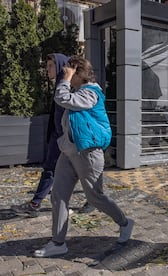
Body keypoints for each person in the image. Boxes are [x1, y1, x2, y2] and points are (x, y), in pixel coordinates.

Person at [33, 56, 134, 258]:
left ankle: (124, 222)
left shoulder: (91, 92)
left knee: (95, 197)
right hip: (69, 152)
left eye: (69, 72)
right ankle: (58, 242)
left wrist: (64, 79)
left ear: (78, 73)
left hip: (88, 153)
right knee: (58, 196)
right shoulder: (77, 91)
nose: (65, 76)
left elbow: (63, 99)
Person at [11, 53, 94, 217]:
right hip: (58, 139)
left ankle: (38, 205)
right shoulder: (60, 85)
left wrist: (66, 140)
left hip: (67, 141)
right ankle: (37, 204)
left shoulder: (68, 88)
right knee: (61, 171)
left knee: (76, 171)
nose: (47, 69)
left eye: (50, 66)